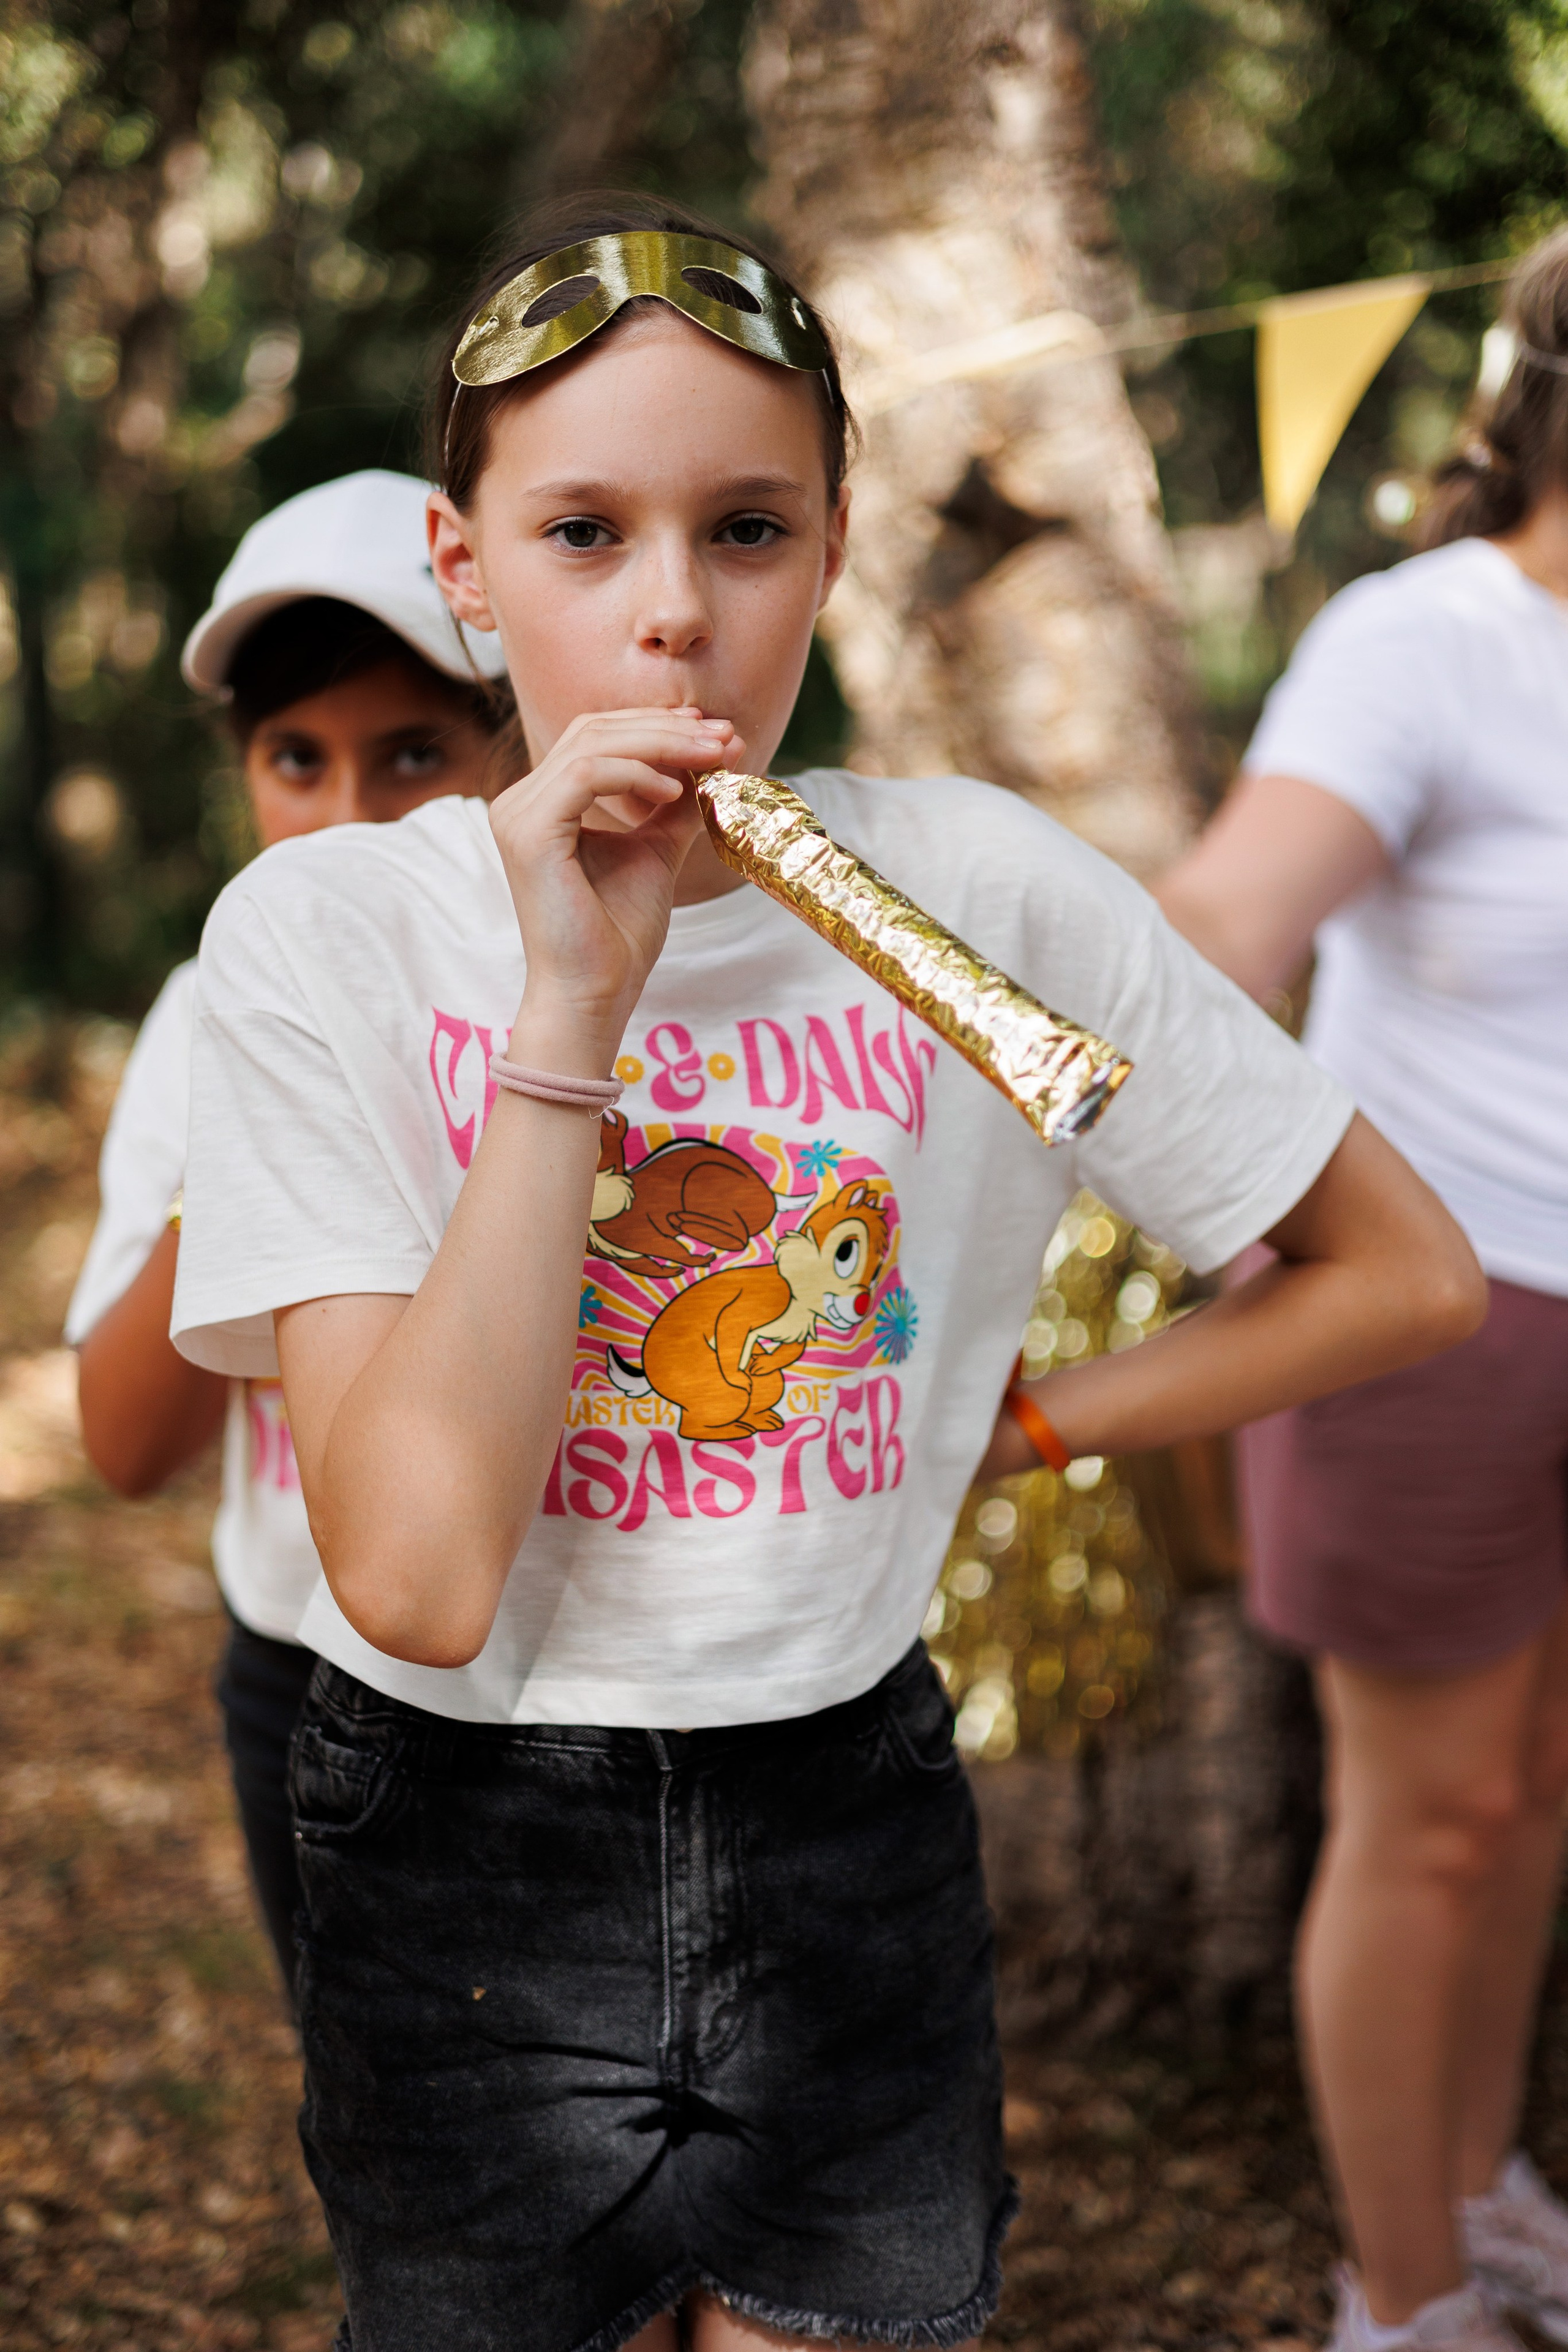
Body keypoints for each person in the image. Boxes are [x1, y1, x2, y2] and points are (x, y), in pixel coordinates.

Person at [170, 190, 1482, 2352]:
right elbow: (411, 1577)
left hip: (840, 1797)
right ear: (465, 569)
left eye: (749, 530)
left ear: (838, 542)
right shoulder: (329, 936)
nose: (673, 618)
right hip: (461, 1822)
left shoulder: (981, 894)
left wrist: (1020, 1428)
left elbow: (1399, 1275)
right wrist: (571, 1014)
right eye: (586, 534)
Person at [1155, 226, 1568, 2352]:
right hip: (1451, 1302)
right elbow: (1227, 913)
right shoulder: (1427, 645)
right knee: (1433, 1815)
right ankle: (1398, 2305)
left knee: (1543, 1785)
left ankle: (1480, 2194)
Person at [67, 469, 507, 2003]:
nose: (345, 817)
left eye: (413, 754)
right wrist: (263, 1133)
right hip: (310, 1684)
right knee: (406, 2171)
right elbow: (124, 1448)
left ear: (513, 742)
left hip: (579, 1689)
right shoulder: (208, 1018)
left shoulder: (588, 1000)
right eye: (293, 760)